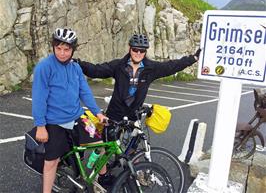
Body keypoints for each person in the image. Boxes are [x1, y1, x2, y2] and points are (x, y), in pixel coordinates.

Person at [32, 28, 109, 193]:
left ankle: (98, 179)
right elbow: (39, 98)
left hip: (78, 117)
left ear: (73, 50)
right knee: (51, 161)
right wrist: (40, 125)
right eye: (58, 48)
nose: (62, 53)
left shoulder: (76, 68)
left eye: (67, 49)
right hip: (54, 121)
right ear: (53, 47)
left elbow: (84, 92)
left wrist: (97, 113)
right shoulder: (44, 67)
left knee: (101, 145)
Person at [75, 33, 201, 121]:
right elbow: (96, 70)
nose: (138, 53)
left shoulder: (151, 68)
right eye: (135, 49)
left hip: (133, 115)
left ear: (145, 52)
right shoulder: (118, 65)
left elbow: (172, 66)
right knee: (107, 148)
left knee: (131, 151)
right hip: (115, 114)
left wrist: (193, 59)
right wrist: (79, 64)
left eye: (142, 50)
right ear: (130, 49)